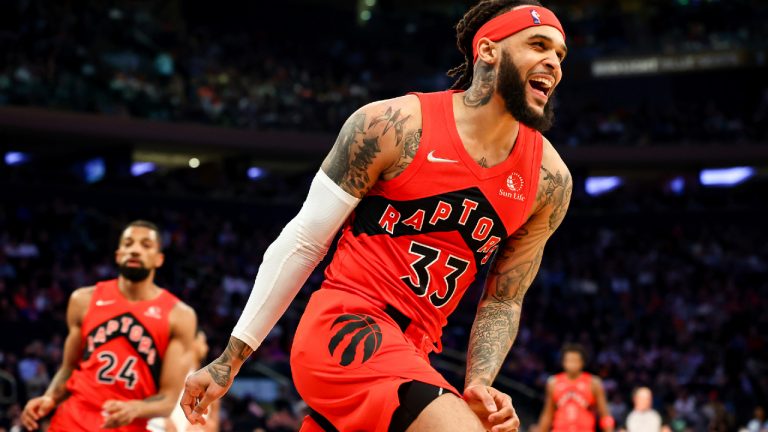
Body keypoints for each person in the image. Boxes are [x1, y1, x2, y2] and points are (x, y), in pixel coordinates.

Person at [182, 1, 573, 431]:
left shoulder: (548, 181)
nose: (553, 62)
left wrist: (479, 381)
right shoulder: (392, 125)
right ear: (487, 51)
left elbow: (504, 298)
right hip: (347, 326)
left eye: (560, 54)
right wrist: (230, 359)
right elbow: (303, 241)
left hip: (413, 351)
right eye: (539, 45)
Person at [20, 220, 197, 431]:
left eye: (145, 245)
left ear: (159, 259)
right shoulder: (83, 300)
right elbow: (69, 368)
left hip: (128, 423)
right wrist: (50, 398)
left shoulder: (179, 315)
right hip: (73, 419)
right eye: (128, 243)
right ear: (118, 254)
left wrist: (136, 409)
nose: (135, 250)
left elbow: (168, 399)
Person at [148, 330, 220, 432]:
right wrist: (164, 420)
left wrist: (205, 426)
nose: (207, 348)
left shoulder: (208, 380)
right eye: (203, 341)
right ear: (192, 342)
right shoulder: (171, 371)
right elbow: (153, 399)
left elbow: (214, 424)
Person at [537, 344, 614, 432]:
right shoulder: (553, 383)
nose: (572, 364)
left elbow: (605, 415)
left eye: (575, 361)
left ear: (582, 363)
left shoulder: (593, 383)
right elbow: (547, 415)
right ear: (563, 362)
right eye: (569, 360)